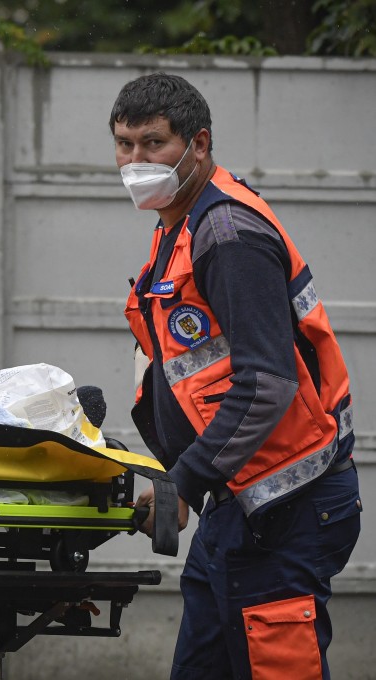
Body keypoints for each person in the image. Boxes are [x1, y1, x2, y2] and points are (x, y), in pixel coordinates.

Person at [111, 73, 362, 679]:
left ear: (198, 143)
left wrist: (185, 482)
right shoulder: (181, 224)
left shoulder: (227, 235)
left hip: (283, 507)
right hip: (240, 504)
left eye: (153, 144)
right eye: (124, 144)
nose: (135, 161)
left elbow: (267, 384)